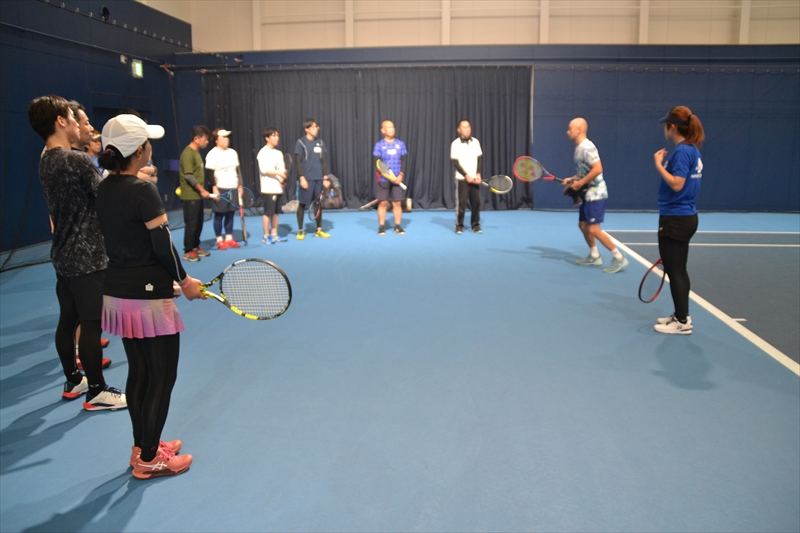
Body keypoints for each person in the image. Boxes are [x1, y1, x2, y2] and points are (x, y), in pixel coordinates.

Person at [96, 114, 206, 479]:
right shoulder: (143, 190)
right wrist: (185, 282)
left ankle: (143, 445)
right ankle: (148, 459)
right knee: (162, 376)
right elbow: (162, 246)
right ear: (141, 150)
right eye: (148, 143)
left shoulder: (104, 187)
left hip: (119, 293)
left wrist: (165, 282)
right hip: (147, 302)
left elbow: (131, 244)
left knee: (140, 372)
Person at [27, 95, 126, 411]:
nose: (78, 124)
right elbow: (108, 197)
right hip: (87, 257)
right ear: (60, 121)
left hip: (63, 254)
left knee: (68, 320)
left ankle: (73, 379)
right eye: (73, 118)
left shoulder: (46, 159)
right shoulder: (77, 160)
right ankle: (96, 391)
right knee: (91, 324)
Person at [652, 107, 704, 335]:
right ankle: (681, 314)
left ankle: (682, 322)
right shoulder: (692, 149)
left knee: (676, 272)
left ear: (672, 127)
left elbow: (677, 184)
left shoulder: (682, 152)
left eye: (666, 125)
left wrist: (658, 165)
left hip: (676, 218)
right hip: (684, 217)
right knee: (678, 270)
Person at [563, 117, 628, 274]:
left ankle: (619, 257)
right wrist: (572, 179)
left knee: (593, 229)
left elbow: (598, 169)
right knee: (583, 225)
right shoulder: (579, 148)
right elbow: (585, 172)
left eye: (570, 128)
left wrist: (579, 183)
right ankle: (594, 255)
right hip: (587, 193)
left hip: (596, 193)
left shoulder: (587, 147)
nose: (567, 131)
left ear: (579, 130)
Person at [204, 128, 242, 250]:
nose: (226, 139)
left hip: (233, 187)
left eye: (227, 137)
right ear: (216, 140)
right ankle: (219, 239)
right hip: (220, 188)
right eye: (223, 137)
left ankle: (229, 238)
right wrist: (214, 188)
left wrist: (240, 185)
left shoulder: (233, 153)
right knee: (219, 215)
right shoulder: (212, 154)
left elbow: (237, 171)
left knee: (230, 214)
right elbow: (210, 173)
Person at [179, 125, 211, 261]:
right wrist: (202, 190)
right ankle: (188, 251)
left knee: (198, 223)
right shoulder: (188, 153)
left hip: (197, 196)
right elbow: (188, 175)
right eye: (205, 139)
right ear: (196, 139)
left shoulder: (196, 152)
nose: (207, 142)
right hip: (190, 196)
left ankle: (195, 246)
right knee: (191, 224)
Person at [294, 118, 330, 239]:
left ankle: (319, 229)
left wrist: (325, 177)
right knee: (302, 204)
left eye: (317, 127)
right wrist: (302, 178)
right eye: (313, 127)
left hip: (319, 178)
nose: (316, 129)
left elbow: (323, 161)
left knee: (318, 204)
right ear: (307, 129)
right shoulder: (300, 143)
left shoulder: (320, 142)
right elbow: (299, 162)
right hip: (307, 178)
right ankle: (300, 230)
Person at [373, 120, 407, 235]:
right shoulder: (379, 145)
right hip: (384, 179)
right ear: (383, 131)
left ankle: (397, 226)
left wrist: (401, 174)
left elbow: (404, 160)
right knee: (383, 203)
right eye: (388, 127)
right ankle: (381, 227)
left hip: (398, 179)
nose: (391, 129)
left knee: (397, 203)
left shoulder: (400, 144)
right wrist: (389, 176)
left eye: (392, 127)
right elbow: (378, 163)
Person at [257, 126, 288, 244]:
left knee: (276, 212)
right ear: (267, 138)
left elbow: (282, 169)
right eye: (274, 136)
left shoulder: (279, 153)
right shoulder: (263, 152)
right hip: (268, 188)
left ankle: (274, 234)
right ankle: (266, 235)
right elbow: (264, 170)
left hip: (278, 188)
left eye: (277, 136)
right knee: (268, 212)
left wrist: (282, 179)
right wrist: (279, 173)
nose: (277, 138)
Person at [450, 120, 482, 234]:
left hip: (474, 179)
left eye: (468, 127)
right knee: (461, 204)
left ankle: (475, 225)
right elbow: (456, 163)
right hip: (462, 179)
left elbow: (478, 159)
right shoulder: (455, 144)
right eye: (464, 127)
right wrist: (466, 175)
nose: (467, 129)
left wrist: (478, 173)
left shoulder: (476, 142)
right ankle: (459, 225)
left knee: (476, 203)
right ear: (459, 130)